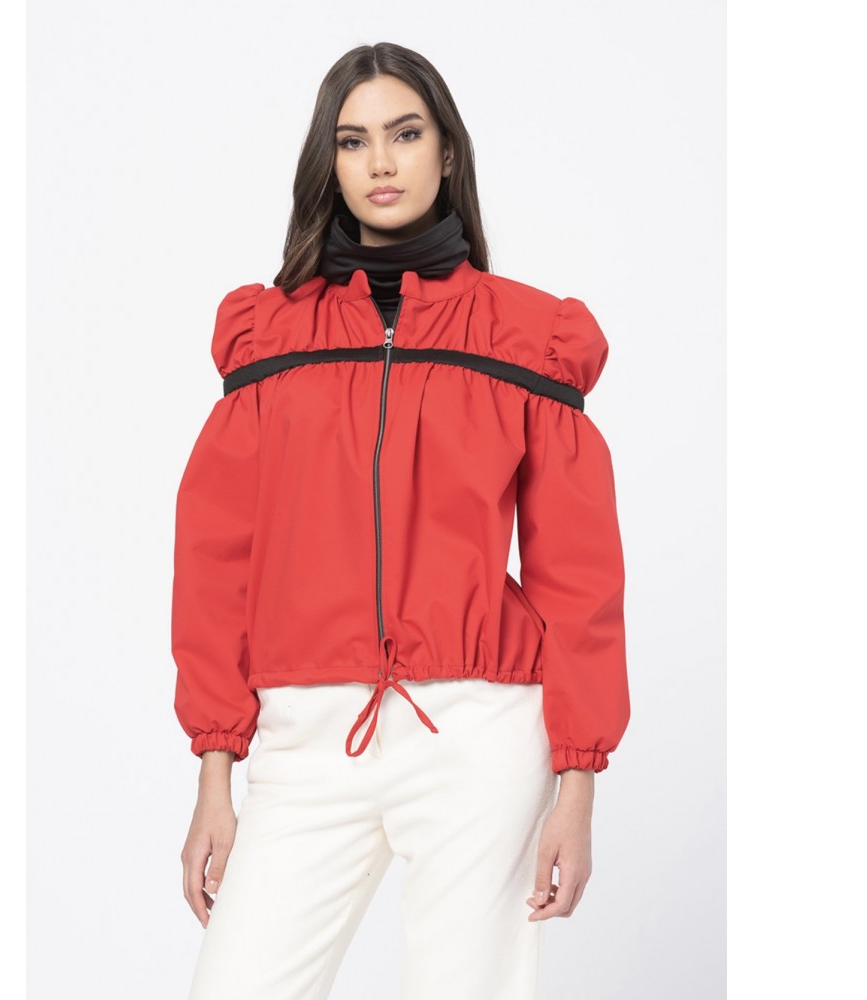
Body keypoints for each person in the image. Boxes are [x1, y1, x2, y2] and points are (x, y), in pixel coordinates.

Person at [171, 41, 630, 1000]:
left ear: (446, 152)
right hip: (308, 738)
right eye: (354, 141)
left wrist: (578, 782)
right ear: (329, 162)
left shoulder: (525, 339)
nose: (381, 162)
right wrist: (216, 771)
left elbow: (578, 579)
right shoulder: (272, 338)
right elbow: (215, 562)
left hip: (478, 734)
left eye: (406, 134)